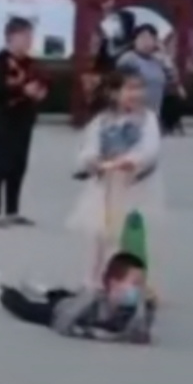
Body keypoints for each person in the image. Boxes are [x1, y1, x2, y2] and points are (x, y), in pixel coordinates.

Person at [67, 69, 163, 287]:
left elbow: (150, 149)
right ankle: (94, 279)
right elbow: (89, 148)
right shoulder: (102, 120)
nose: (136, 94)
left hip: (136, 187)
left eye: (139, 89)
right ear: (114, 93)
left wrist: (132, 161)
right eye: (129, 89)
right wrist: (92, 161)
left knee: (131, 234)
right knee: (100, 234)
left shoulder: (147, 119)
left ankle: (132, 282)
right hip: (105, 187)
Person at [0, 252, 153, 344]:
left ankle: (42, 289)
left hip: (73, 300)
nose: (140, 289)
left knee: (65, 295)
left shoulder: (134, 307)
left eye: (142, 284)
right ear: (114, 284)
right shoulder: (90, 301)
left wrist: (142, 311)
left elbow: (141, 336)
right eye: (135, 283)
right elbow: (62, 326)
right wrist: (93, 334)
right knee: (26, 309)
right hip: (59, 312)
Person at [0, 17, 46, 227]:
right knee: (3, 163)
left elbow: (43, 81)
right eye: (25, 36)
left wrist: (40, 92)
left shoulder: (30, 63)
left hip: (25, 118)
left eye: (30, 36)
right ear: (11, 37)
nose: (29, 40)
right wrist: (21, 90)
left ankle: (12, 210)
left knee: (20, 164)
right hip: (5, 118)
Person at [116, 24, 167, 115]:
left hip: (153, 114)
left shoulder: (157, 61)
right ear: (135, 41)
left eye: (151, 38)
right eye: (142, 38)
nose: (146, 41)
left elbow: (172, 80)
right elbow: (119, 86)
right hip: (132, 114)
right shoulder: (129, 59)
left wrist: (165, 56)